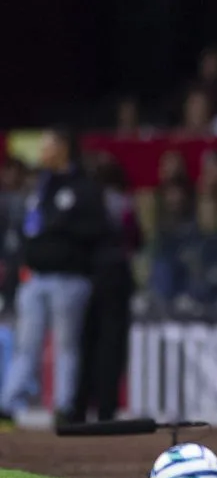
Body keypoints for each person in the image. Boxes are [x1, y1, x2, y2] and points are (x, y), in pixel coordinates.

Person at [0, 128, 111, 430]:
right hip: (35, 278)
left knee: (66, 346)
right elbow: (29, 228)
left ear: (63, 147)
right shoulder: (41, 186)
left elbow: (96, 229)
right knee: (26, 345)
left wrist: (59, 231)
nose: (42, 152)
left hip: (69, 278)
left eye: (47, 145)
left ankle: (64, 407)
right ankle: (8, 405)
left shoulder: (83, 188)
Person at [70, 159, 141, 423]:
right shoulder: (123, 203)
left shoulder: (80, 199)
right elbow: (135, 239)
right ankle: (106, 409)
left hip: (87, 275)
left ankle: (78, 408)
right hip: (114, 277)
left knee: (84, 343)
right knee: (110, 345)